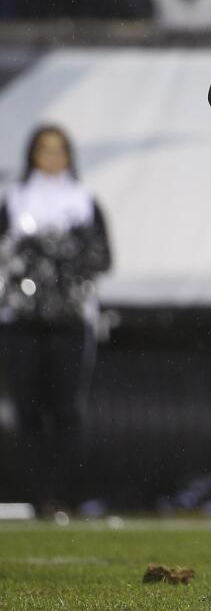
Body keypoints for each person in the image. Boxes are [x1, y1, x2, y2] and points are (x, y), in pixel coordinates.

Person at [0, 125, 111, 514]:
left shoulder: (83, 201)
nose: (51, 157)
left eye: (58, 150)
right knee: (27, 411)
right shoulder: (14, 199)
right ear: (32, 154)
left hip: (70, 321)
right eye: (44, 149)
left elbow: (103, 257)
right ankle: (34, 497)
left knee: (66, 410)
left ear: (68, 155)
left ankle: (63, 498)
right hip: (21, 321)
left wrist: (62, 258)